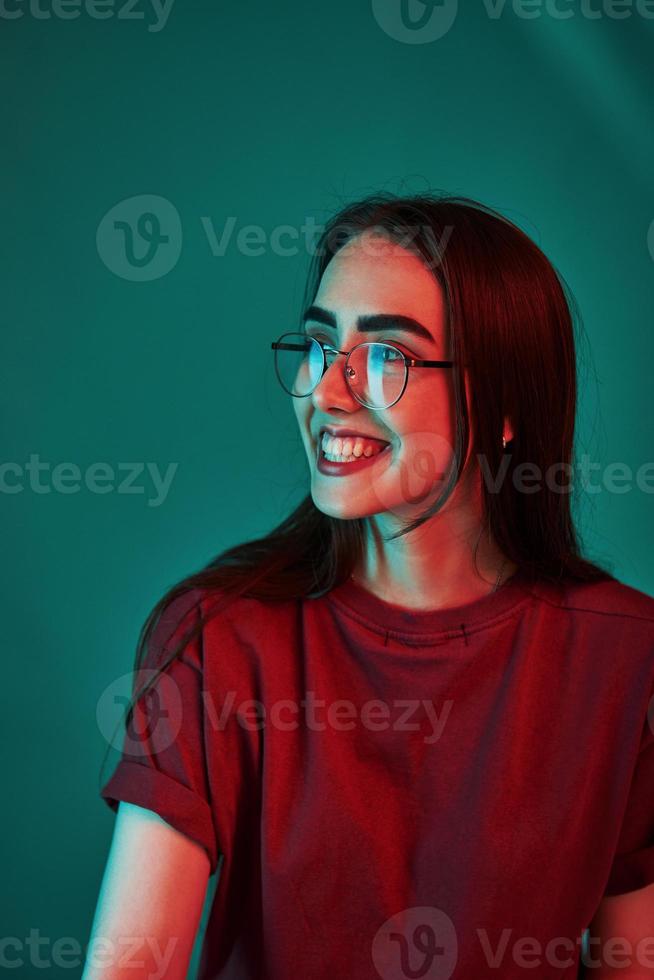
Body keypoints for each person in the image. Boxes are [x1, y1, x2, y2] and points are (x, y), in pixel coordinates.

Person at [83, 191, 654, 979]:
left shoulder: (625, 660)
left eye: (388, 355)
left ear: (506, 406)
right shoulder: (216, 639)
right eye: (321, 347)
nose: (325, 392)